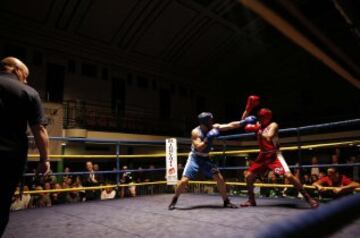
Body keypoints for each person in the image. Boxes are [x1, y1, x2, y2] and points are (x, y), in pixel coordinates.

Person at [0, 57, 50, 236]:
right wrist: (45, 159)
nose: (26, 80)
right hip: (7, 160)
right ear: (15, 70)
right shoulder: (27, 92)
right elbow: (39, 130)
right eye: (25, 75)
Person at [168, 111, 257, 210]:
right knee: (184, 181)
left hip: (206, 158)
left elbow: (230, 125)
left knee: (220, 178)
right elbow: (199, 148)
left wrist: (243, 122)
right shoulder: (195, 132)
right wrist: (208, 138)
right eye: (210, 120)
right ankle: (174, 200)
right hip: (195, 158)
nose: (212, 121)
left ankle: (226, 201)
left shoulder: (214, 127)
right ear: (205, 121)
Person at [241, 107, 319, 208]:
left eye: (262, 117)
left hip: (274, 155)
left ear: (268, 118)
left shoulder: (273, 125)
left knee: (289, 176)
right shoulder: (258, 126)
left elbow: (269, 136)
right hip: (263, 155)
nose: (260, 119)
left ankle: (308, 198)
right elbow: (243, 123)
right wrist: (248, 108)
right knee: (248, 176)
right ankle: (251, 200)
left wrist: (259, 131)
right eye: (259, 117)